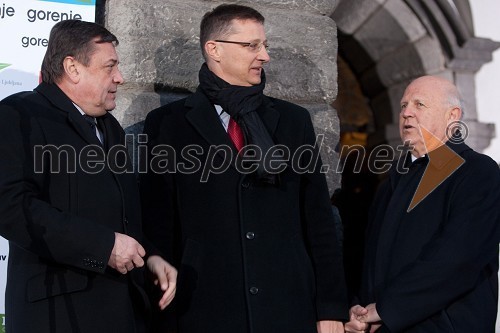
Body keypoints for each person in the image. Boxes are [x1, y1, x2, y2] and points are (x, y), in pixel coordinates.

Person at [140, 4, 348, 333]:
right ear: (214, 49)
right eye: (252, 46)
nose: (264, 56)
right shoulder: (168, 125)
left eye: (264, 45)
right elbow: (157, 222)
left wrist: (330, 309)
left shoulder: (293, 122)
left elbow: (319, 220)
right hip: (204, 308)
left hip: (288, 307)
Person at [0, 20, 177, 332]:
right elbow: (10, 207)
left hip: (123, 315)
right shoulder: (20, 114)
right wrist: (102, 246)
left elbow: (121, 217)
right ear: (73, 68)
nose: (119, 78)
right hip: (58, 317)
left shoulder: (110, 128)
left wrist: (149, 257)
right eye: (109, 67)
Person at [345, 75, 500, 332]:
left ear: (452, 115)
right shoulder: (390, 182)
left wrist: (386, 309)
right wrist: (359, 307)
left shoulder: (478, 173)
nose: (406, 113)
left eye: (419, 105)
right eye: (404, 105)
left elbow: (457, 260)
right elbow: (365, 258)